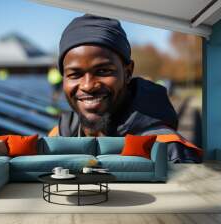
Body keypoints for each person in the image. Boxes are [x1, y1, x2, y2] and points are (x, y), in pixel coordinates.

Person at [48, 14, 202, 163]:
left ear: (128, 72)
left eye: (103, 71)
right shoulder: (56, 139)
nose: (88, 85)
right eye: (75, 74)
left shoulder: (168, 150)